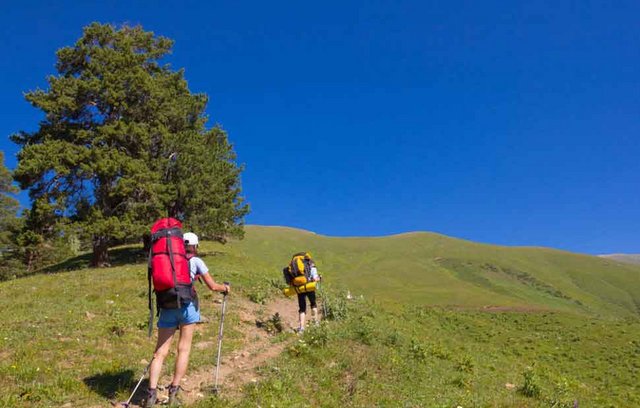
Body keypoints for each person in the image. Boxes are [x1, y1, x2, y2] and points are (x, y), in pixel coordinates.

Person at [145, 232, 229, 407]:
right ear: (195, 246)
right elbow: (213, 286)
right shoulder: (196, 261)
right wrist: (225, 288)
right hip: (187, 307)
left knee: (160, 352)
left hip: (167, 306)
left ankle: (151, 394)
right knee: (183, 349)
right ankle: (174, 391)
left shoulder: (167, 261)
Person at [297, 259, 320, 333]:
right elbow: (315, 278)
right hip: (309, 288)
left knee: (302, 309)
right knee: (313, 304)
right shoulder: (312, 268)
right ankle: (316, 324)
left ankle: (301, 329)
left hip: (300, 289)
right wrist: (319, 278)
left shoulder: (298, 269)